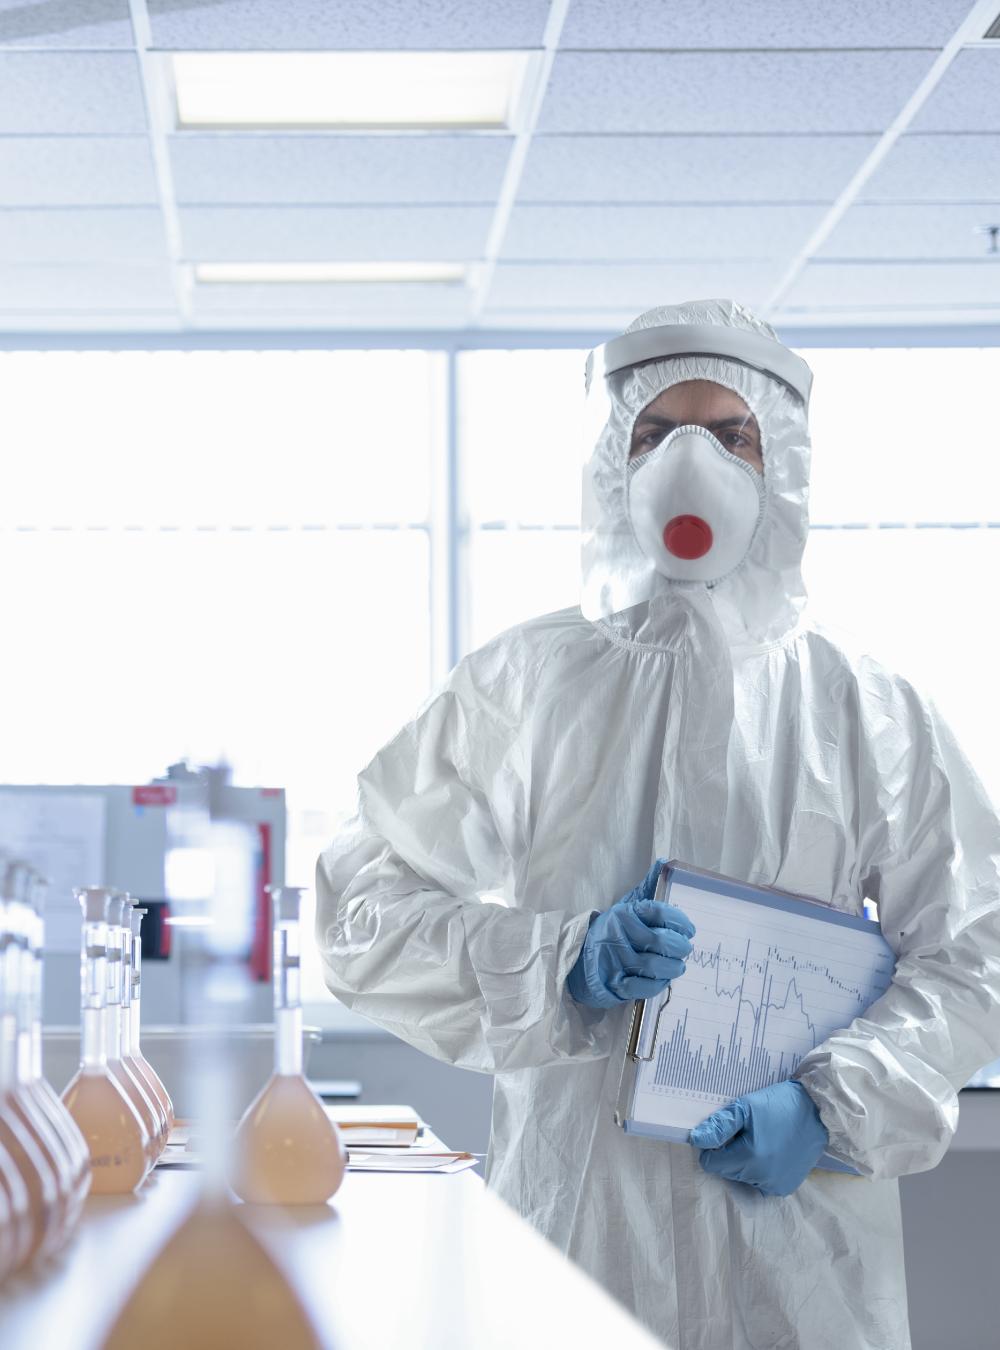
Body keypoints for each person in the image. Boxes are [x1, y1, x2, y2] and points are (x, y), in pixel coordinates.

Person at [316, 299, 1000, 1350]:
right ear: (610, 465)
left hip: (799, 1261)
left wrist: (834, 1106)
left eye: (730, 435)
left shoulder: (865, 706)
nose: (692, 464)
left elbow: (975, 950)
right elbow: (359, 901)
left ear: (784, 465)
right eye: (654, 432)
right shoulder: (527, 686)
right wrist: (556, 961)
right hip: (578, 1233)